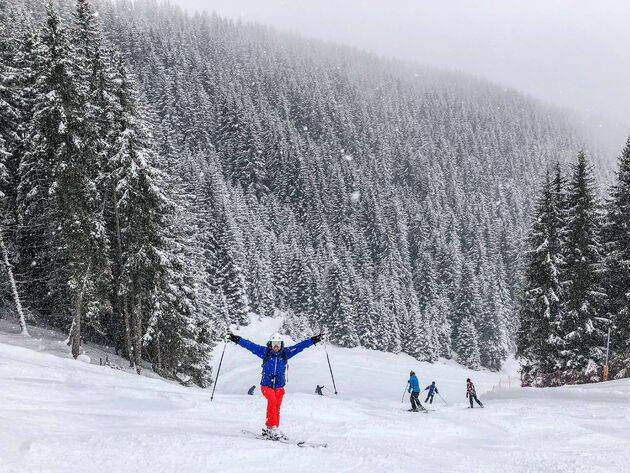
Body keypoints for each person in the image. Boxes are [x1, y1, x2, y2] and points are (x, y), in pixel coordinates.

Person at [228, 331, 323, 440]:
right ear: (270, 344)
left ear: (282, 344)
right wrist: (235, 338)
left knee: (277, 407)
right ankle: (270, 428)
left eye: (278, 343)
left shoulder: (286, 353)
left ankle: (275, 429)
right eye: (274, 344)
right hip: (266, 385)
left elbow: (300, 346)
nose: (276, 346)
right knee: (272, 401)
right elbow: (249, 345)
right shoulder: (265, 352)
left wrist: (315, 340)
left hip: (279, 386)